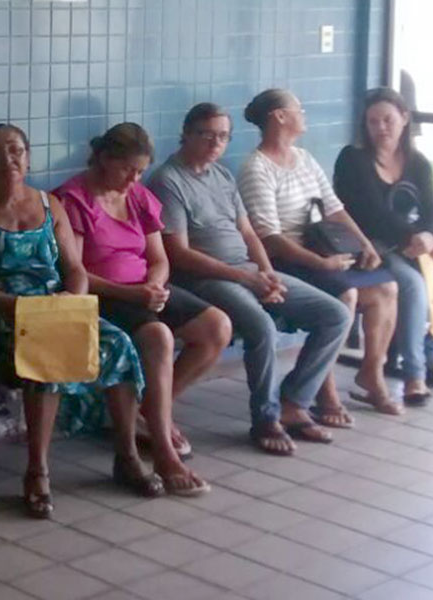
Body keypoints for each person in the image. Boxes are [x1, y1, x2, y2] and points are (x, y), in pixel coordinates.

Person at [0, 123, 201, 520]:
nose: (9, 159)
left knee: (118, 344)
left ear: (28, 158)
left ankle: (127, 455)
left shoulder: (49, 204)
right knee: (46, 352)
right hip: (4, 315)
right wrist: (20, 306)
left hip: (57, 306)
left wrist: (72, 298)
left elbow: (74, 268)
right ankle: (37, 472)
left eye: (16, 150)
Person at [153, 103, 352, 455]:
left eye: (223, 137)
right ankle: (265, 418)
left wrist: (266, 273)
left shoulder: (222, 176)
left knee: (335, 314)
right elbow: (179, 254)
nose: (215, 143)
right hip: (204, 278)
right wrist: (247, 280)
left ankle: (294, 402)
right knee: (261, 327)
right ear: (185, 134)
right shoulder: (168, 180)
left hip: (247, 270)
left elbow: (248, 233)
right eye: (206, 134)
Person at [51, 123, 228, 487]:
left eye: (140, 171)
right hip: (103, 295)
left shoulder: (138, 197)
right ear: (103, 159)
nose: (133, 179)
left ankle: (149, 411)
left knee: (216, 327)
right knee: (158, 337)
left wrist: (155, 284)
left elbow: (159, 258)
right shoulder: (74, 199)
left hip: (144, 288)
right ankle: (163, 452)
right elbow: (75, 272)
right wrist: (133, 294)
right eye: (126, 169)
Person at [237, 88, 400, 419]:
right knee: (346, 296)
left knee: (386, 288)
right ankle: (321, 394)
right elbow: (270, 238)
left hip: (323, 250)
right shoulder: (257, 168)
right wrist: (321, 263)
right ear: (280, 116)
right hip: (288, 259)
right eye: (298, 109)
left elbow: (334, 209)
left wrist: (364, 244)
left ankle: (372, 375)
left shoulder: (304, 158)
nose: (303, 114)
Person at [334, 87, 433, 404]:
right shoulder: (353, 159)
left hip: (412, 243)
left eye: (388, 120)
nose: (381, 128)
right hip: (370, 247)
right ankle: (415, 375)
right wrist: (415, 238)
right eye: (373, 122)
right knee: (412, 283)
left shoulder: (417, 161)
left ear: (404, 118)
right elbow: (372, 214)